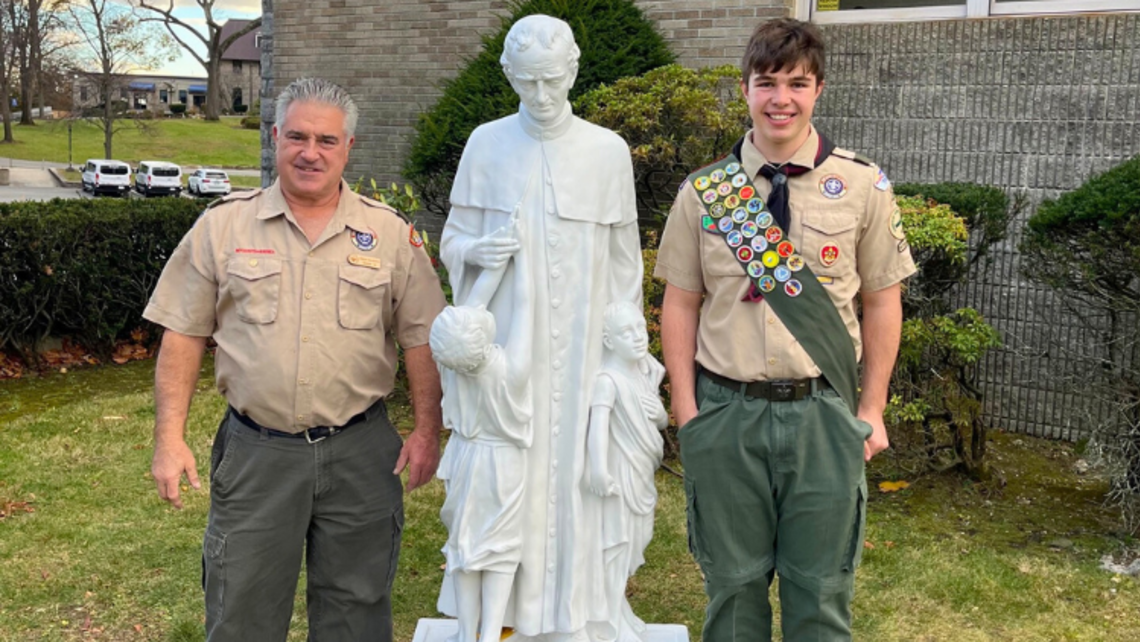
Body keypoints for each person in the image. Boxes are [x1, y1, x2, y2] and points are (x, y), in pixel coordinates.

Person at [145, 77, 447, 642]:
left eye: (327, 141)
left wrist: (427, 429)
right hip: (259, 454)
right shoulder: (223, 226)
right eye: (298, 137)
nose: (311, 153)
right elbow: (182, 334)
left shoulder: (387, 234)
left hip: (362, 453)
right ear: (276, 136)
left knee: (356, 614)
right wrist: (170, 438)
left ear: (348, 148)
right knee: (242, 614)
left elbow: (422, 339)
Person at [654, 18, 917, 641]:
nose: (781, 98)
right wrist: (686, 410)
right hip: (726, 412)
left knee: (820, 592)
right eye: (766, 82)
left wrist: (872, 408)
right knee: (734, 591)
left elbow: (883, 302)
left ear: (818, 90)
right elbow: (681, 303)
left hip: (823, 416)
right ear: (744, 89)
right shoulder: (705, 193)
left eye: (796, 84)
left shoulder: (860, 185)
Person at [438, 14, 644, 641]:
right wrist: (477, 252)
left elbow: (624, 265)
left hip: (584, 355)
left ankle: (579, 612)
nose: (542, 96)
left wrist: (622, 355)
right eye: (527, 83)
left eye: (552, 81)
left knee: (581, 479)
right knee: (506, 487)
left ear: (573, 71)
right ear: (509, 76)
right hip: (507, 355)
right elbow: (452, 241)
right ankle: (506, 619)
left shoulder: (607, 151)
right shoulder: (485, 143)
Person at [431, 304, 533, 642]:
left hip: (464, 456)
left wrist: (492, 265)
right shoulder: (510, 369)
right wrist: (522, 260)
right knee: (500, 549)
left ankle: (465, 633)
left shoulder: (450, 365)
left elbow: (470, 306)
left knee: (464, 547)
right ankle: (489, 634)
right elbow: (525, 309)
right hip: (503, 463)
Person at [586, 301, 667, 642]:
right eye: (626, 332)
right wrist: (598, 470)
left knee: (637, 541)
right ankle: (607, 616)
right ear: (607, 340)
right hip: (619, 473)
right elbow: (597, 427)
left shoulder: (645, 373)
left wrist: (659, 411)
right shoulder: (607, 380)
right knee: (615, 545)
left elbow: (659, 421)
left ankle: (617, 605)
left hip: (641, 472)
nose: (637, 338)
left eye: (640, 329)